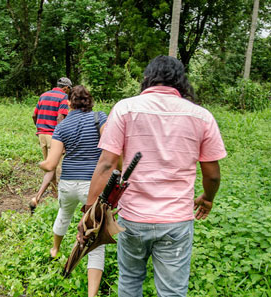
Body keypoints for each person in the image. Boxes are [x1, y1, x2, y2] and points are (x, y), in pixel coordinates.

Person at [78, 55, 227, 297]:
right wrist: (207, 198)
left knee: (130, 281)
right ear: (181, 82)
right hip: (177, 221)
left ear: (147, 79)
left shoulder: (125, 108)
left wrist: (89, 213)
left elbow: (106, 165)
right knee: (172, 291)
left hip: (132, 218)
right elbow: (212, 175)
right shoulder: (201, 116)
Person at [39, 85, 108, 297]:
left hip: (68, 182)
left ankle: (55, 250)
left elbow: (51, 164)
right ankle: (91, 293)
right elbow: (110, 147)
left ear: (68, 103)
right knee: (94, 235)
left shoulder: (62, 125)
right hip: (93, 184)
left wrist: (40, 163)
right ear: (90, 100)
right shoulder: (100, 118)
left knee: (64, 215)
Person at [30, 77, 72, 212]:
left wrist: (39, 128)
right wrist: (62, 137)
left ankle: (54, 194)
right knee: (55, 166)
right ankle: (41, 197)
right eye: (69, 89)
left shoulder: (43, 95)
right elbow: (60, 117)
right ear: (66, 88)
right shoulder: (63, 97)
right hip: (54, 135)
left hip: (41, 134)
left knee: (50, 164)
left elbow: (33, 115)